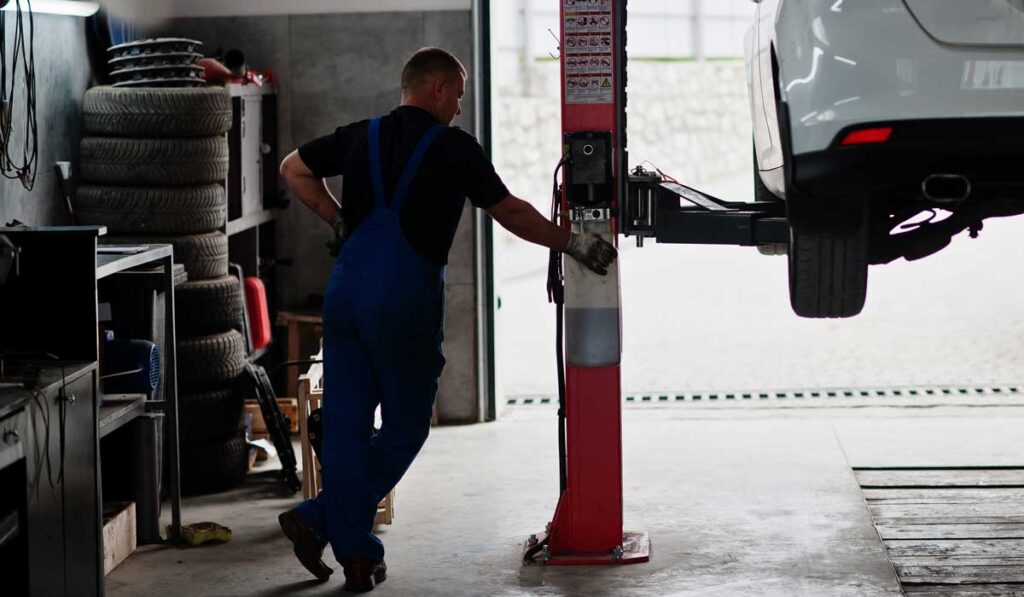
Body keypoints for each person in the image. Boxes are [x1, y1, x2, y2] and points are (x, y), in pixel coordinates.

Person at [277, 47, 616, 592]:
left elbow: (292, 168)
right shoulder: (454, 148)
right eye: (457, 94)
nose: (459, 107)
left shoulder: (359, 136)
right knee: (408, 425)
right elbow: (508, 210)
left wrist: (339, 220)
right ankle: (319, 518)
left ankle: (356, 557)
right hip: (403, 303)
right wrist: (572, 243)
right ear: (437, 88)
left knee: (344, 425)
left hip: (345, 298)